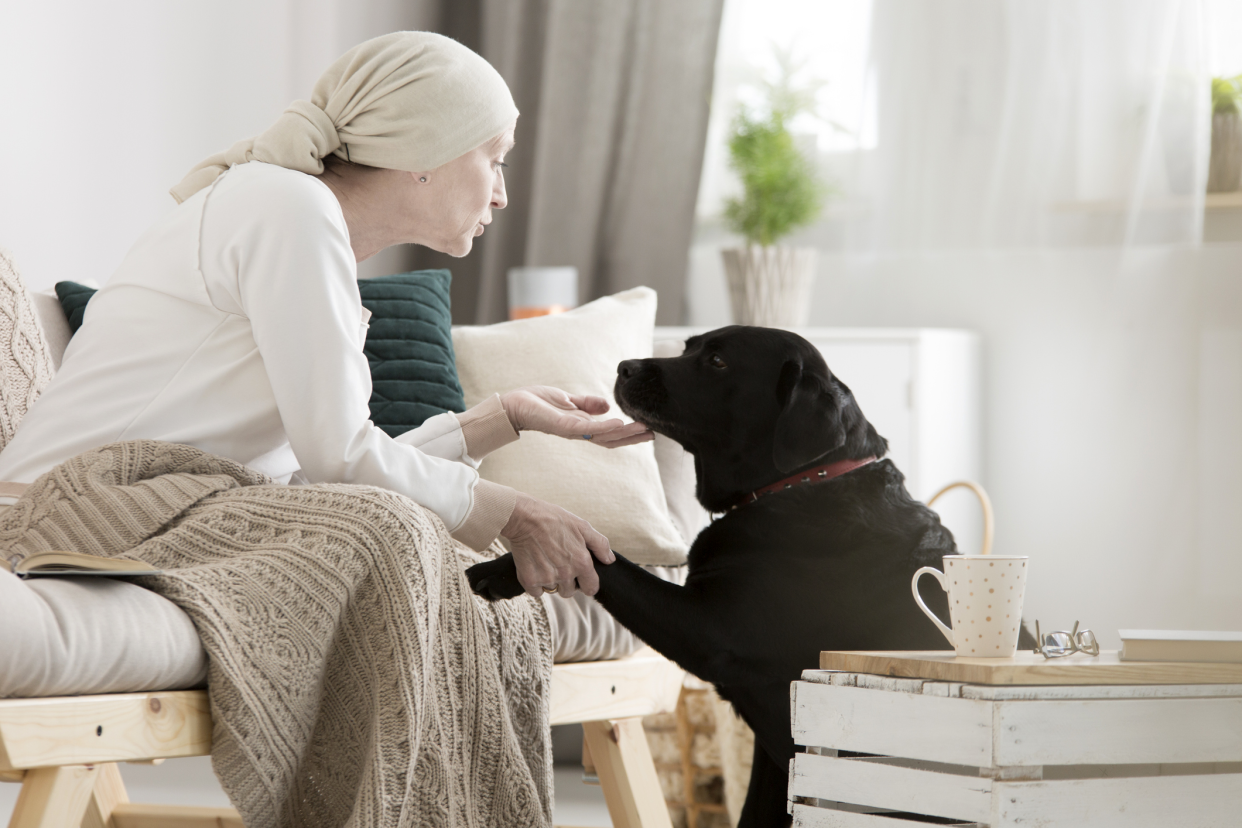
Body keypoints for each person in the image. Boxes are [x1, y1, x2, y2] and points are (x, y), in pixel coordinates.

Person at [0, 31, 651, 601]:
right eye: (495, 158)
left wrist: (499, 418)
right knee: (387, 541)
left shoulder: (297, 216)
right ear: (427, 149)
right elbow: (340, 459)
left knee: (384, 534)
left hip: (125, 505)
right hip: (61, 514)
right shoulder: (286, 207)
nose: (502, 193)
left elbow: (318, 468)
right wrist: (517, 515)